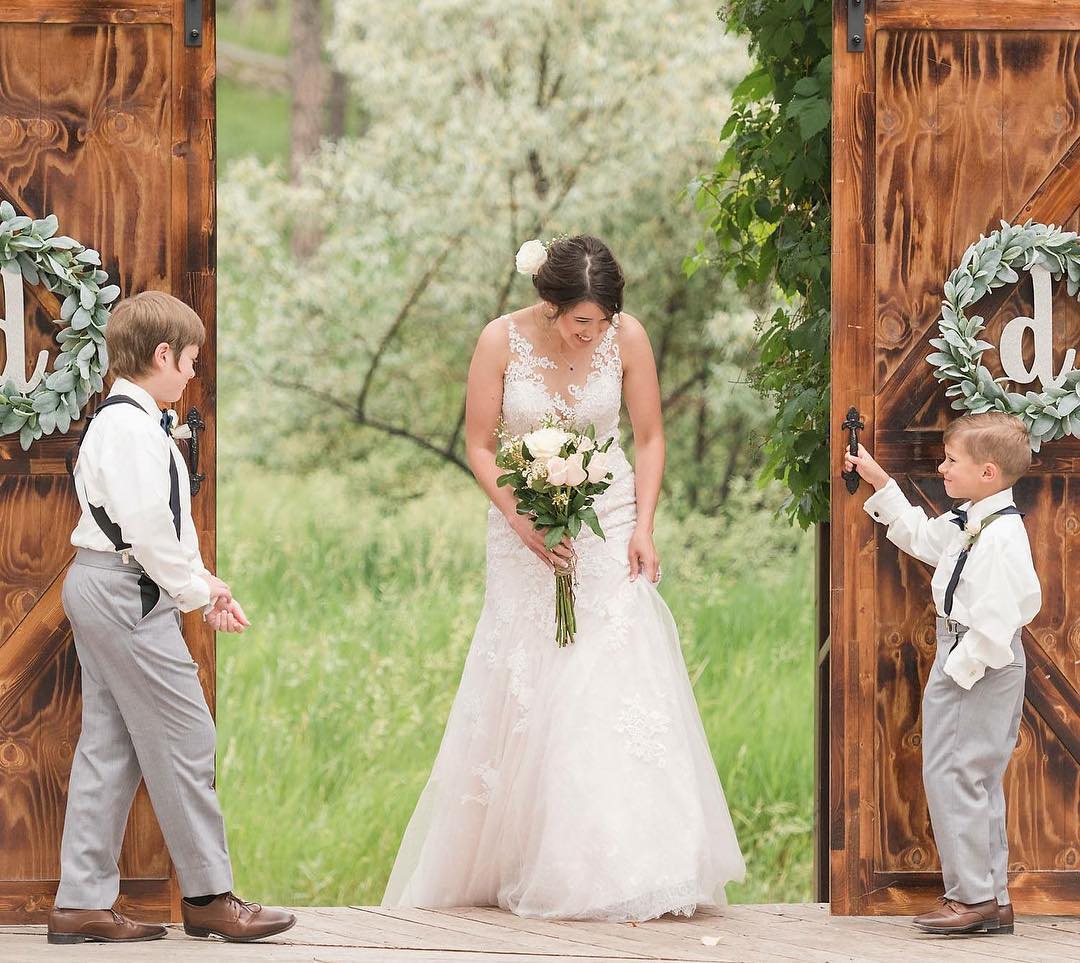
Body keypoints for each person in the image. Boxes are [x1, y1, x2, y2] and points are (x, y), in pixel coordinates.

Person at [382, 235, 744, 921]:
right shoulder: (499, 342)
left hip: (606, 516)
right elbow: (481, 445)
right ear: (550, 307)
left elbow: (648, 437)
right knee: (528, 671)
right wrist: (521, 518)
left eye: (603, 322)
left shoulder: (627, 338)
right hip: (524, 523)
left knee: (608, 673)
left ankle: (627, 864)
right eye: (582, 323)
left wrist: (643, 524)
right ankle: (523, 857)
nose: (593, 335)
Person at [48, 291, 295, 945]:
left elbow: (160, 528)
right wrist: (192, 592)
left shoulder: (128, 423)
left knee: (111, 745)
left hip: (112, 583)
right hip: (127, 592)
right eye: (189, 360)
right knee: (188, 738)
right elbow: (146, 531)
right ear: (162, 355)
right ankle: (210, 897)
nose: (192, 374)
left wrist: (206, 585)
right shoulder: (131, 429)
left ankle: (80, 901)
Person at [844, 412, 1040, 936]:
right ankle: (992, 897)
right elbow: (922, 540)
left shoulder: (999, 538)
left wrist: (960, 667)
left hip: (977, 658)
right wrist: (881, 482)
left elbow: (1000, 620)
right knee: (973, 776)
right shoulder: (973, 520)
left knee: (952, 775)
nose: (942, 467)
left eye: (953, 461)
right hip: (971, 652)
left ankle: (971, 898)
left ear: (989, 473)